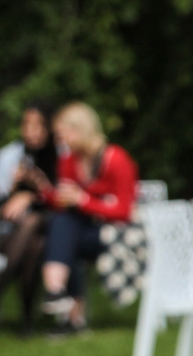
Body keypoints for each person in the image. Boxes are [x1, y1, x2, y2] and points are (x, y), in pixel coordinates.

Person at [39, 100, 136, 336]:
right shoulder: (68, 160)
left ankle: (62, 303)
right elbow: (64, 202)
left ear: (80, 130)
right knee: (64, 225)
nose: (59, 140)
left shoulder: (116, 159)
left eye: (63, 134)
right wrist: (43, 191)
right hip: (85, 231)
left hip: (118, 235)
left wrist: (83, 201)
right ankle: (61, 299)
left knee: (64, 232)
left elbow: (124, 211)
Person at [0, 102, 60, 329]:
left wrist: (36, 193)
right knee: (33, 243)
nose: (31, 131)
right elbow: (0, 208)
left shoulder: (63, 154)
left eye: (38, 125)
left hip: (55, 232)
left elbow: (64, 201)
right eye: (26, 124)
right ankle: (27, 320)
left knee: (34, 224)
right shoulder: (8, 157)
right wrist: (14, 187)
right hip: (14, 234)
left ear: (50, 127)